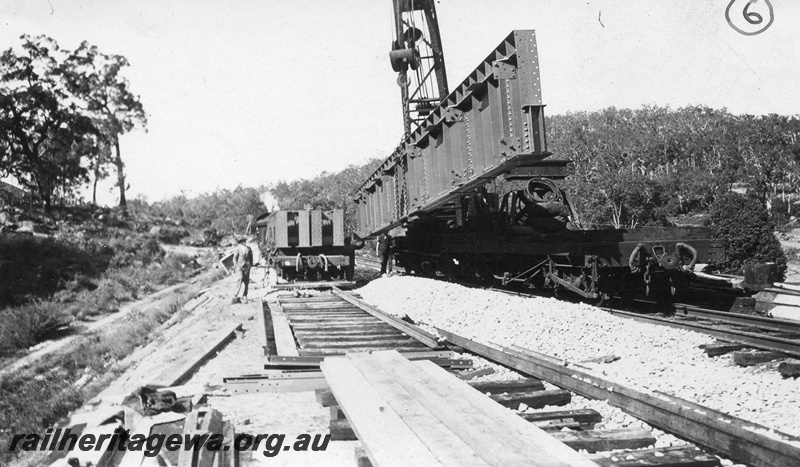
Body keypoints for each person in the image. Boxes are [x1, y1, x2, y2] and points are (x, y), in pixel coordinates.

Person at [231, 237, 253, 304]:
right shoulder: (237, 248)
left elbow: (251, 257)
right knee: (240, 279)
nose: (244, 242)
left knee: (246, 281)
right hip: (240, 266)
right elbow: (235, 258)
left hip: (247, 266)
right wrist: (235, 265)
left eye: (245, 241)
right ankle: (235, 294)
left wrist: (251, 264)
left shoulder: (248, 248)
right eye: (243, 241)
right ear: (240, 242)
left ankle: (245, 295)